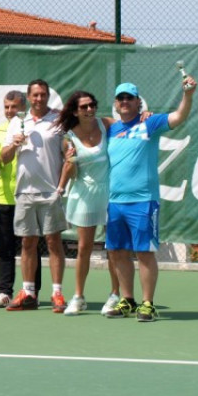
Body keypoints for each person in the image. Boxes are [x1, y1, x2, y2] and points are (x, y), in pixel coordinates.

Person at [105, 76, 196, 322]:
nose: (125, 101)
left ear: (138, 103)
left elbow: (178, 117)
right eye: (121, 98)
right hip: (115, 202)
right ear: (116, 103)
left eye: (129, 98)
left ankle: (148, 304)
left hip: (144, 201)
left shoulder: (150, 123)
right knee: (117, 252)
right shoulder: (110, 129)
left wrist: (187, 95)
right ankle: (127, 300)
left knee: (144, 253)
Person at [0, 79, 68, 312]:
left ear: (48, 96)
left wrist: (60, 187)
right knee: (28, 243)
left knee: (53, 242)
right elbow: (5, 158)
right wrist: (14, 145)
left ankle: (57, 294)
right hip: (25, 193)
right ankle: (28, 293)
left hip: (50, 192)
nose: (39, 98)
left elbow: (68, 154)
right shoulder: (18, 122)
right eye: (35, 95)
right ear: (28, 98)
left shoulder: (59, 120)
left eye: (43, 95)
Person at [54, 90, 119, 315]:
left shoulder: (106, 124)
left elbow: (129, 125)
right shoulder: (68, 138)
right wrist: (70, 161)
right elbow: (72, 173)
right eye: (84, 107)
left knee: (114, 247)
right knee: (84, 247)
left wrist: (144, 115)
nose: (90, 110)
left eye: (92, 105)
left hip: (110, 192)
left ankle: (115, 295)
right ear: (75, 111)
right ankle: (79, 297)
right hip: (84, 193)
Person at [0, 91, 42, 308]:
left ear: (24, 108)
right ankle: (4, 291)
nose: (10, 111)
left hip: (28, 196)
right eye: (7, 107)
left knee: (31, 246)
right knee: (5, 248)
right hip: (4, 197)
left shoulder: (32, 129)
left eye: (14, 107)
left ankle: (32, 291)